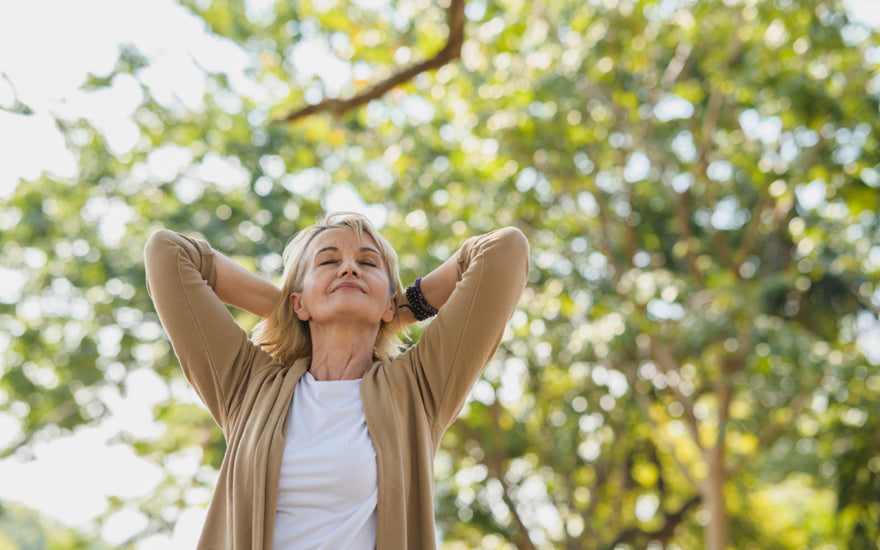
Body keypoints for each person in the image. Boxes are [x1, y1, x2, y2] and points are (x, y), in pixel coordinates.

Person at [144, 211, 529, 550]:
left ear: (389, 302)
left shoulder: (418, 388)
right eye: (328, 262)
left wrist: (400, 310)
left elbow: (503, 251)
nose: (349, 268)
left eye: (368, 263)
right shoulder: (248, 385)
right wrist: (289, 310)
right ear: (298, 301)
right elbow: (168, 253)